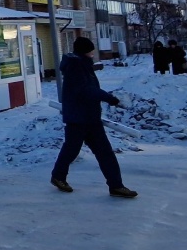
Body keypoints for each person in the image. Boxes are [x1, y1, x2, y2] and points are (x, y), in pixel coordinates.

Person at [51, 37, 138, 199]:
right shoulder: (76, 67)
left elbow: (89, 89)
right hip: (77, 118)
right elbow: (85, 90)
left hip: (90, 117)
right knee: (71, 150)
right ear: (85, 51)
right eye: (91, 50)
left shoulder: (83, 65)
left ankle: (116, 186)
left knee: (105, 152)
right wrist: (108, 98)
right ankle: (58, 176)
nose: (93, 53)